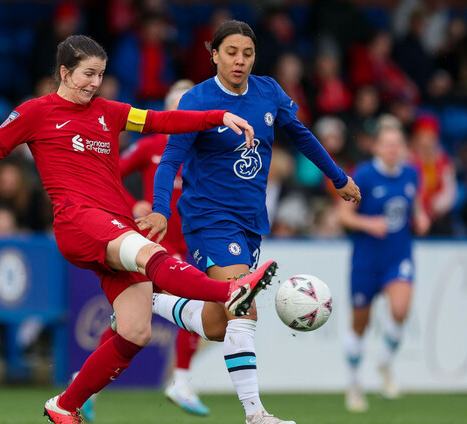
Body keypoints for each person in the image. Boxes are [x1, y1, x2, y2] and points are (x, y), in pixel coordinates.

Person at [0, 34, 277, 424]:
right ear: (64, 72)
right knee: (151, 254)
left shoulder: (110, 111)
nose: (95, 83)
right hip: (79, 220)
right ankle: (231, 292)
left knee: (135, 331)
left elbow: (159, 121)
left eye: (100, 75)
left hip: (114, 222)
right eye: (88, 74)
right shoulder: (35, 112)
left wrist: (216, 117)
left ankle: (64, 405)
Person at [138, 21, 361, 424]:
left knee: (217, 324)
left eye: (247, 53)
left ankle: (145, 301)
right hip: (209, 217)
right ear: (214, 55)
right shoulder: (196, 99)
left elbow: (301, 135)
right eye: (231, 52)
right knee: (243, 307)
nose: (239, 60)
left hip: (250, 222)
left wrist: (337, 176)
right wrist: (160, 209)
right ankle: (255, 413)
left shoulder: (268, 91)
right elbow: (170, 159)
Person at [82, 80, 209, 422]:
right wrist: (131, 204)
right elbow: (108, 175)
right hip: (156, 241)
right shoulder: (151, 145)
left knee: (131, 319)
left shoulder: (204, 150)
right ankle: (181, 381)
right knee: (193, 299)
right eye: (178, 106)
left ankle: (85, 385)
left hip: (192, 241)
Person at [337, 120, 430, 413]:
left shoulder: (411, 173)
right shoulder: (363, 174)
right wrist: (369, 223)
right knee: (359, 324)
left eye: (397, 144)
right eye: (387, 144)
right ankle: (354, 383)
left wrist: (421, 217)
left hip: (398, 255)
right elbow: (343, 215)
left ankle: (385, 364)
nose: (393, 149)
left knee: (400, 309)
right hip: (366, 259)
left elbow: (414, 206)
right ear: (376, 146)